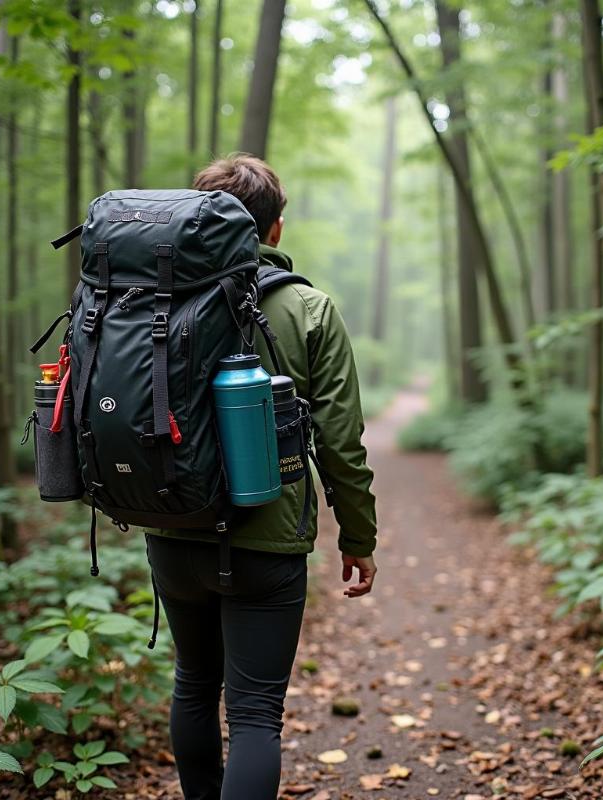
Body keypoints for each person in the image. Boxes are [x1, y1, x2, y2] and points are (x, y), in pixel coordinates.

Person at [145, 153, 378, 800]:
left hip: (171, 526)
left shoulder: (152, 301)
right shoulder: (309, 309)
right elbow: (340, 442)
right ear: (275, 230)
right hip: (265, 538)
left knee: (193, 683)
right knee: (253, 714)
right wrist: (358, 536)